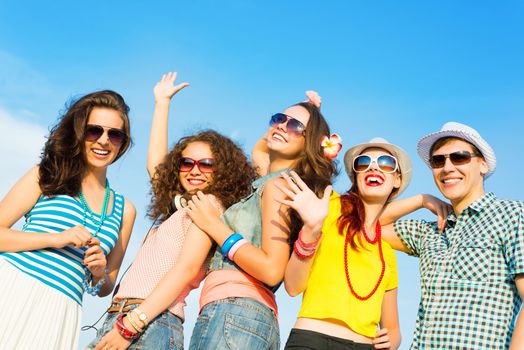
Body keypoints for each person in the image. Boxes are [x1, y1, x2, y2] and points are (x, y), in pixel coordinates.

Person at [89, 72, 257, 350]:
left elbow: (186, 269)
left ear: (223, 171)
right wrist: (162, 103)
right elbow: (155, 165)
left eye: (206, 164)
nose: (194, 170)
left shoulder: (209, 206)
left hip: (147, 322)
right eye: (186, 163)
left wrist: (131, 324)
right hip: (127, 316)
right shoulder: (182, 208)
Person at [185, 92, 337, 349]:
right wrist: (307, 111)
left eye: (295, 126)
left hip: (235, 313)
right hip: (247, 319)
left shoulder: (278, 187)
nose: (281, 126)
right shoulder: (271, 179)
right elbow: (260, 148)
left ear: (309, 142)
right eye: (279, 119)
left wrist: (214, 226)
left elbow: (272, 269)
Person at [280, 136, 449, 350]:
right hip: (311, 339)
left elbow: (393, 328)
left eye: (386, 163)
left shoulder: (386, 251)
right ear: (356, 176)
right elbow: (293, 287)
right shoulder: (328, 208)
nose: (373, 168)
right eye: (364, 163)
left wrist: (394, 340)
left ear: (397, 180)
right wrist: (420, 201)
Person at [0, 90, 136, 349]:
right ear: (79, 133)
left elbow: (107, 285)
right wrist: (56, 238)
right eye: (94, 130)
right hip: (13, 289)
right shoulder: (49, 174)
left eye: (114, 134)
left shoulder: (125, 209)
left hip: (62, 309)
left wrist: (98, 272)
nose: (104, 141)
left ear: (122, 143)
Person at [382, 122, 524, 349]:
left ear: (483, 164)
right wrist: (421, 200)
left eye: (459, 157)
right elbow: (367, 227)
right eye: (438, 161)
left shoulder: (512, 214)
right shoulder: (426, 232)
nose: (447, 167)